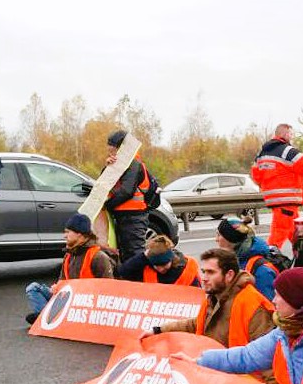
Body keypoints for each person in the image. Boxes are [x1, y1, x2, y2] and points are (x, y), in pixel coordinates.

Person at [153, 248, 274, 348]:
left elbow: (266, 354)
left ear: (229, 275)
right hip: (217, 373)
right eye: (203, 272)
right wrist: (158, 330)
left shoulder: (252, 304)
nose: (204, 278)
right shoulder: (215, 296)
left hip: (238, 375)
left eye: (210, 272)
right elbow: (198, 323)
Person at [251, 123, 303, 253]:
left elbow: (256, 175)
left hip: (275, 199)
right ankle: (268, 258)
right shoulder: (287, 151)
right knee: (279, 232)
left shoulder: (261, 154)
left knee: (295, 231)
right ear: (285, 134)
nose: (292, 136)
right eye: (291, 133)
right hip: (287, 199)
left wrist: (268, 186)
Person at [25, 213, 115, 324]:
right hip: (68, 299)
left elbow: (109, 290)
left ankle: (46, 318)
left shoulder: (98, 256)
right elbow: (62, 281)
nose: (65, 235)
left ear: (80, 235)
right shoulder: (68, 255)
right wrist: (56, 287)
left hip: (86, 304)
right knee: (33, 288)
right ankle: (45, 317)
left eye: (68, 232)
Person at [104, 129, 151, 263]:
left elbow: (126, 191)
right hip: (124, 216)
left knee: (134, 256)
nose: (109, 152)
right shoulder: (120, 164)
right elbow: (104, 184)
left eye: (112, 149)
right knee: (124, 256)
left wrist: (107, 205)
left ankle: (138, 283)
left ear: (120, 148)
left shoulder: (134, 164)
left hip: (134, 218)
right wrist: (108, 167)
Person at [215, 216, 279, 300]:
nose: (216, 239)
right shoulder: (234, 260)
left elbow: (267, 307)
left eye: (219, 235)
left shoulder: (261, 270)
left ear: (231, 240)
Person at [117, 234, 200, 287]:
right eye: (156, 265)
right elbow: (122, 272)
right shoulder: (145, 266)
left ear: (171, 259)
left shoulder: (187, 268)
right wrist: (144, 256)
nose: (160, 269)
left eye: (164, 264)